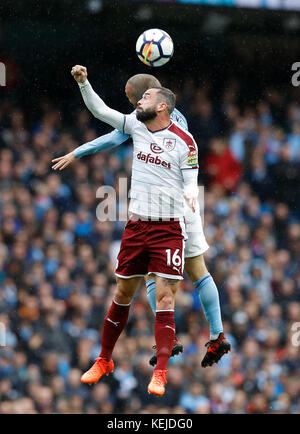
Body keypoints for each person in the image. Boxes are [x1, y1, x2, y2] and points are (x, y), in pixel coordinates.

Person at [52, 73, 231, 369]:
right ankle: (217, 334)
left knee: (152, 275)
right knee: (199, 271)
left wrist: (79, 151)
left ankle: (170, 339)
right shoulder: (173, 116)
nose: (134, 104)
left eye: (133, 99)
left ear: (146, 99)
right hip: (187, 204)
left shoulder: (148, 121)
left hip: (168, 211)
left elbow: (113, 136)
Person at [68, 64, 200, 396]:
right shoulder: (135, 127)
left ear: (162, 106)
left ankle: (161, 371)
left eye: (145, 96)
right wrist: (84, 82)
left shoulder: (185, 142)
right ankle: (104, 359)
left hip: (169, 229)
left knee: (166, 296)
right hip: (136, 226)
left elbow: (191, 180)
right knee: (123, 294)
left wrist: (188, 194)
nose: (138, 101)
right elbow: (100, 111)